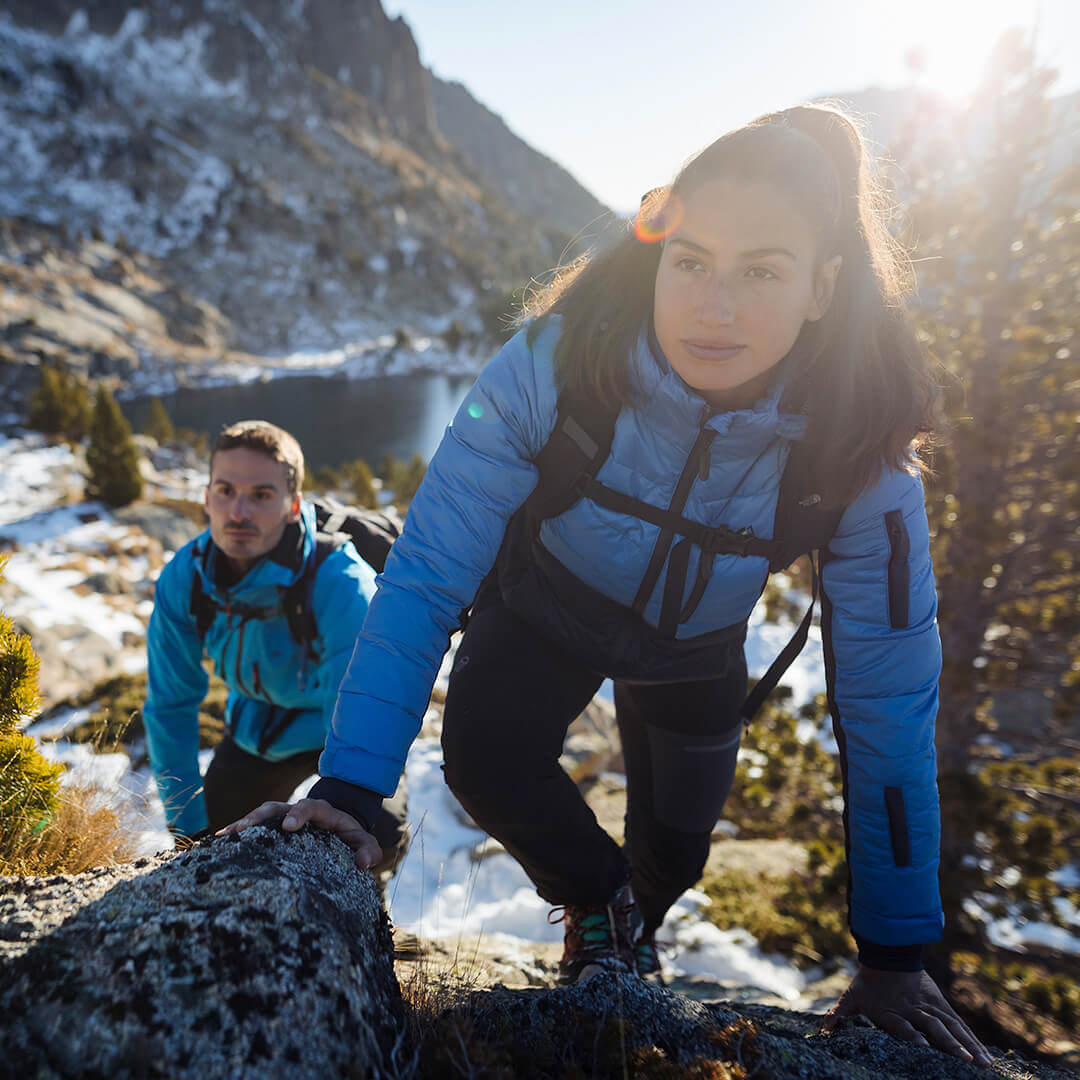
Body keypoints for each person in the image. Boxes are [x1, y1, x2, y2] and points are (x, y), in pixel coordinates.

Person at [222, 106, 991, 1065]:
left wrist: (893, 952)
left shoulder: (856, 445)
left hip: (694, 646)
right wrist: (350, 788)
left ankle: (635, 922)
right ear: (659, 250)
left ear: (822, 288)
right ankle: (597, 906)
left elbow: (888, 696)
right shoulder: (559, 366)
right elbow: (425, 578)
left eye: (761, 272)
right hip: (548, 604)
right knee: (486, 758)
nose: (713, 307)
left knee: (676, 853)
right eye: (692, 261)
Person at [143, 419, 408, 872]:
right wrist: (187, 831)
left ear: (292, 506)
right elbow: (170, 707)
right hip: (257, 730)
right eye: (225, 490)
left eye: (261, 495)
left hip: (339, 728)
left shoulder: (342, 584)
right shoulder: (185, 579)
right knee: (213, 840)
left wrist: (346, 808)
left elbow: (363, 708)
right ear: (206, 498)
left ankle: (363, 902)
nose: (238, 511)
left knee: (377, 835)